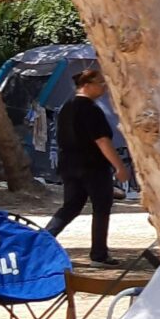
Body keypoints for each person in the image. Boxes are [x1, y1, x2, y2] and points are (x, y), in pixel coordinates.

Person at [43, 66, 126, 265]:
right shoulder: (91, 109)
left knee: (71, 206)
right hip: (93, 166)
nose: (104, 87)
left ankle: (41, 242)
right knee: (101, 207)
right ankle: (99, 254)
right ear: (87, 85)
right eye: (101, 83)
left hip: (68, 165)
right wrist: (119, 166)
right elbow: (102, 140)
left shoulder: (66, 107)